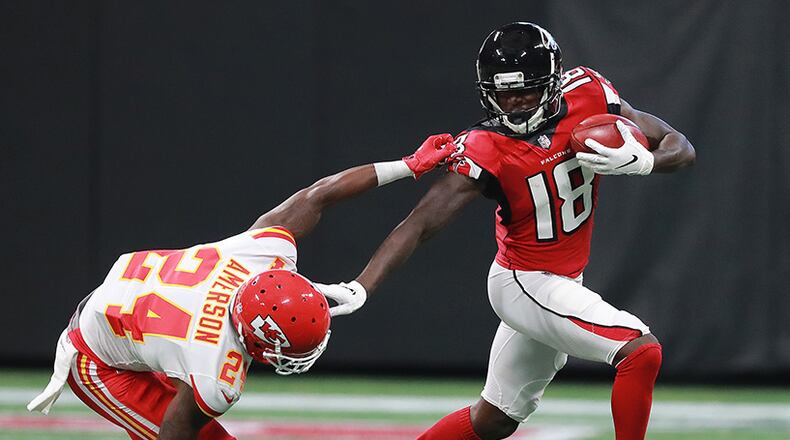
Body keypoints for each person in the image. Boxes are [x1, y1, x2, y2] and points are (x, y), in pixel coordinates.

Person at [320, 22, 696, 440]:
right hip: (525, 281)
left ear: (552, 85)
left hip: (563, 279)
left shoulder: (590, 94)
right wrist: (363, 285)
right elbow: (420, 224)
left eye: (526, 91)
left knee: (494, 419)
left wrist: (648, 163)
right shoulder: (484, 145)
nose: (514, 104)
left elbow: (679, 145)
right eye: (503, 93)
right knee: (640, 352)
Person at [26, 134, 456, 440]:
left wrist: (409, 165)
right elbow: (178, 432)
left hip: (132, 306)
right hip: (98, 359)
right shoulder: (217, 372)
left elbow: (318, 195)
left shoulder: (262, 255)